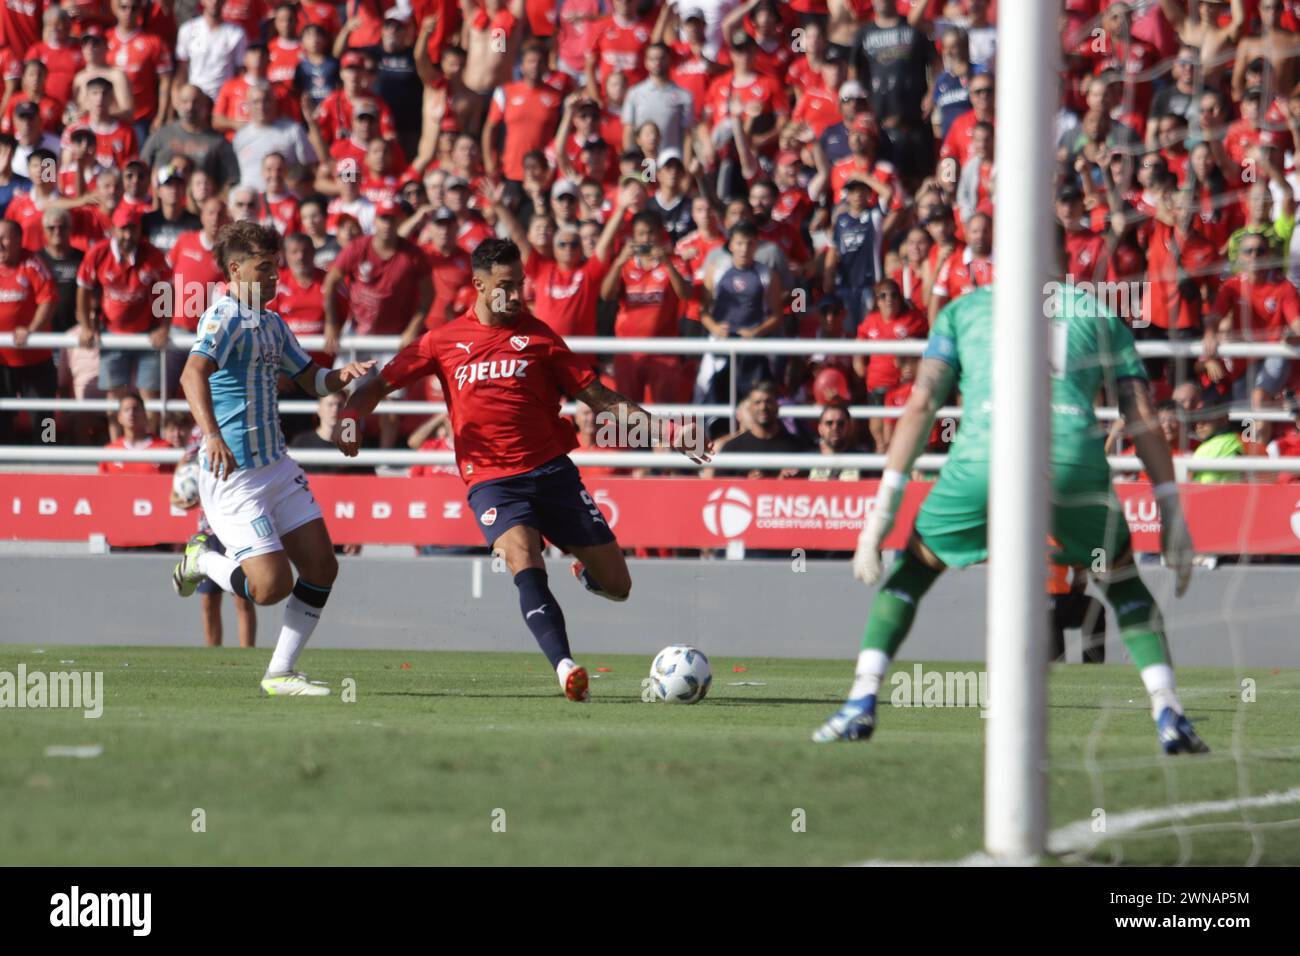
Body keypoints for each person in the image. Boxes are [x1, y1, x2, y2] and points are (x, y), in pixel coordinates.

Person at [814, 275, 1206, 756]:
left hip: (985, 461)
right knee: (1122, 581)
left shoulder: (964, 309)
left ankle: (861, 699)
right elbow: (1140, 412)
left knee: (914, 571)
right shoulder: (1099, 312)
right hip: (1070, 462)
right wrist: (1171, 509)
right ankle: (1168, 712)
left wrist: (882, 511)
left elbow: (922, 402)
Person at [335, 237, 709, 702]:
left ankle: (585, 571)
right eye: (505, 287)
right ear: (478, 285)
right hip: (492, 482)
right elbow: (376, 385)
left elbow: (601, 399)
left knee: (618, 586)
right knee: (524, 562)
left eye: (520, 286)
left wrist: (668, 434)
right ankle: (566, 667)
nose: (515, 296)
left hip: (552, 474)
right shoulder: (441, 341)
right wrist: (351, 419)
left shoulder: (540, 338)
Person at [169, 220, 376, 696]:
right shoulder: (223, 318)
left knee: (323, 567)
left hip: (277, 468)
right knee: (269, 588)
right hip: (234, 475)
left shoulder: (273, 323)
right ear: (236, 269)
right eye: (264, 268)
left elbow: (310, 380)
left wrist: (342, 376)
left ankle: (280, 672)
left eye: (276, 267)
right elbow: (190, 376)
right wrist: (212, 436)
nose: (274, 276)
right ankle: (203, 559)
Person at [0, 218, 57, 443]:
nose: (0, 244)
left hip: (36, 360)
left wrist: (31, 330)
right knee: (2, 416)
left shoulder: (33, 263)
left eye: (5, 238)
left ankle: (49, 454)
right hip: (3, 363)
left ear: (18, 240)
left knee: (45, 416)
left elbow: (49, 300)